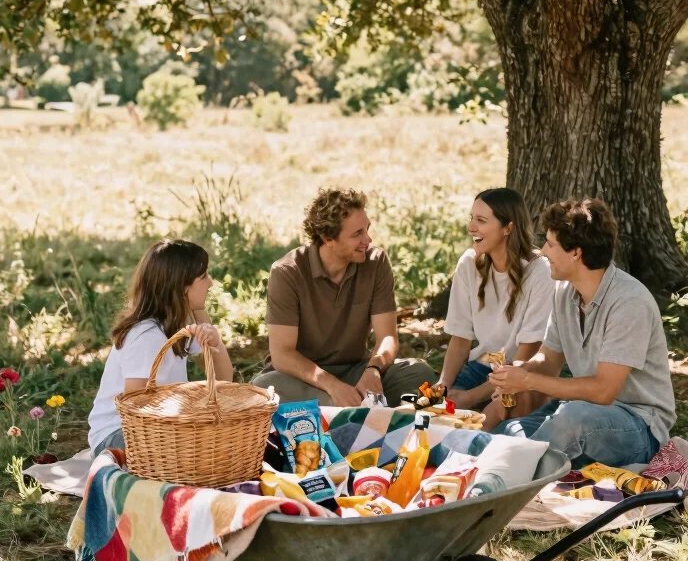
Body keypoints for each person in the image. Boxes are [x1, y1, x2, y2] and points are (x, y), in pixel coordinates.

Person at [489, 199, 675, 467]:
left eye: (550, 244)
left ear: (575, 252)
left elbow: (603, 391)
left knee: (569, 421)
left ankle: (507, 473)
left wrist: (527, 380)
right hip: (582, 412)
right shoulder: (565, 292)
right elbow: (549, 360)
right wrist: (515, 372)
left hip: (639, 425)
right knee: (508, 435)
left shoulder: (629, 302)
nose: (542, 251)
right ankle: (489, 463)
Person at [251, 187, 437, 406]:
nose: (367, 239)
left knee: (419, 373)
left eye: (367, 229)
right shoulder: (287, 272)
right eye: (357, 234)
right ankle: (361, 410)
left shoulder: (375, 262)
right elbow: (282, 355)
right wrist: (331, 385)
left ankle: (351, 411)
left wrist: (374, 370)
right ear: (328, 237)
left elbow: (387, 337)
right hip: (301, 379)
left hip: (356, 372)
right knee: (266, 388)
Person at [87, 239, 233, 457]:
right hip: (119, 435)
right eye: (203, 277)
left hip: (157, 425)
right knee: (206, 451)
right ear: (182, 287)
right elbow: (134, 410)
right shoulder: (147, 337)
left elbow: (224, 380)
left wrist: (214, 340)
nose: (210, 283)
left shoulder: (176, 322)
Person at [439, 188, 554, 427]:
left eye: (481, 221)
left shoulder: (539, 271)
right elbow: (460, 338)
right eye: (471, 218)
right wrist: (443, 388)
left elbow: (528, 353)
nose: (471, 227)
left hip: (519, 375)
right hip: (479, 369)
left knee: (482, 430)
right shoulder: (469, 264)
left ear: (508, 228)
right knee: (436, 419)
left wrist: (471, 397)